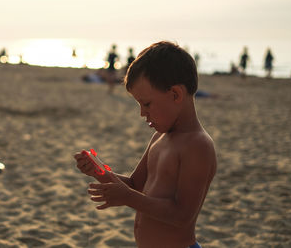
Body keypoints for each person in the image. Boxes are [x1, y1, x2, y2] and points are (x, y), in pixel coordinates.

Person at [74, 41, 217, 248]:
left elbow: (182, 216)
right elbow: (135, 185)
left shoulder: (197, 145)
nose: (142, 113)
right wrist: (99, 171)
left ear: (175, 94)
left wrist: (128, 198)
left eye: (147, 103)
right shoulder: (159, 137)